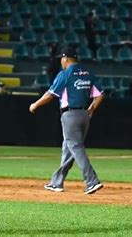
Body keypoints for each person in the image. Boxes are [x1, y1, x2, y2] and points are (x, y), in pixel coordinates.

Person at [29, 47, 105, 195]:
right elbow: (100, 94)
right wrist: (92, 109)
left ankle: (92, 181)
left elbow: (51, 94)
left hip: (70, 115)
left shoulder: (65, 74)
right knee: (68, 148)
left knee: (76, 147)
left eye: (61, 59)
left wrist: (35, 104)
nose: (61, 62)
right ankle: (57, 182)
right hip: (84, 115)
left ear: (65, 59)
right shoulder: (88, 73)